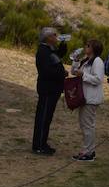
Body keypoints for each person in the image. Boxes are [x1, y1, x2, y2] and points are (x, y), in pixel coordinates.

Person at [32, 27, 67, 155]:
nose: (56, 37)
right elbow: (46, 71)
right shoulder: (43, 51)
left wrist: (63, 44)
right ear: (47, 37)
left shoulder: (48, 50)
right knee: (43, 118)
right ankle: (39, 145)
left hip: (52, 89)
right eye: (54, 35)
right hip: (47, 89)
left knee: (47, 118)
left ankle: (42, 143)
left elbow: (58, 56)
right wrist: (61, 74)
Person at [71, 39, 104, 161]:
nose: (86, 47)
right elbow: (74, 72)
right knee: (84, 125)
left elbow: (98, 79)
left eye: (88, 45)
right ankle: (87, 150)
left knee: (88, 125)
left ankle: (89, 152)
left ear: (94, 48)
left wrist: (83, 75)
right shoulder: (86, 60)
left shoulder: (97, 61)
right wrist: (75, 61)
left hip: (91, 98)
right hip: (84, 97)